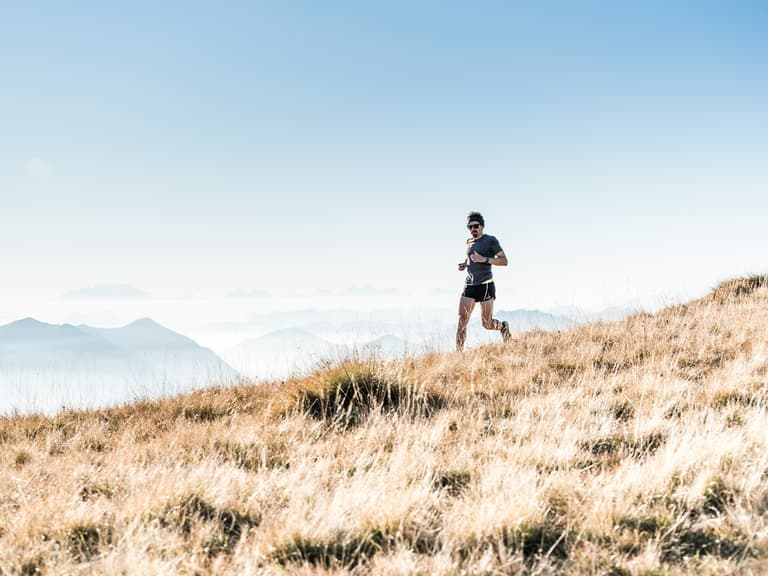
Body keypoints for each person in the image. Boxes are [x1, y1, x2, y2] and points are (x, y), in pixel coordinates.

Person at [456, 211, 511, 351]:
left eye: (476, 226)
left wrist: (485, 259)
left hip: (485, 285)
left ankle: (503, 327)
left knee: (487, 323)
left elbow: (504, 261)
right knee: (462, 320)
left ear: (482, 226)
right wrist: (465, 264)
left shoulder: (490, 241)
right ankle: (458, 355)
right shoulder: (469, 242)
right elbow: (470, 257)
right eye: (470, 227)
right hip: (469, 285)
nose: (473, 229)